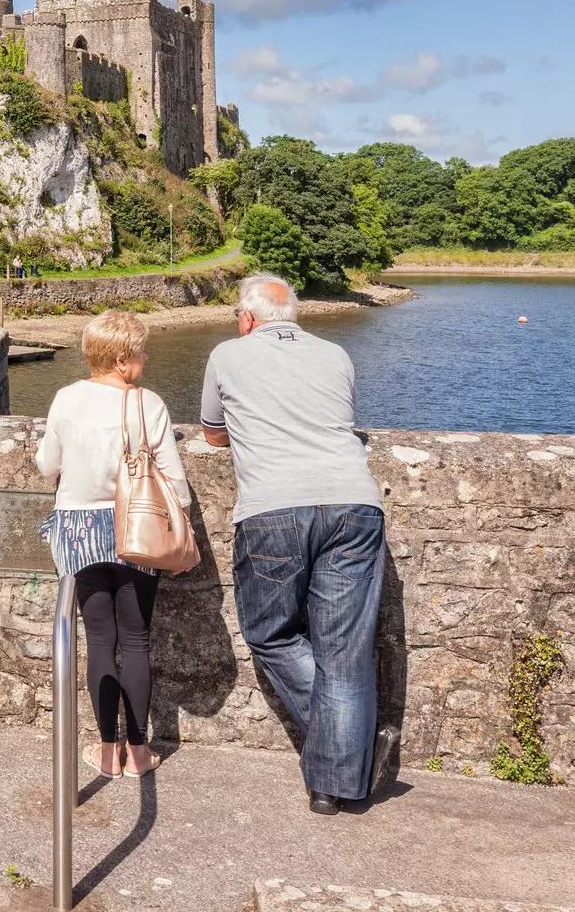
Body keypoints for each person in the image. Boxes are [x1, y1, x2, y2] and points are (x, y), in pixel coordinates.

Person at [200, 273, 400, 815]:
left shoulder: (227, 354)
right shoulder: (335, 354)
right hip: (354, 505)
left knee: (269, 633)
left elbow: (213, 434)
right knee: (345, 652)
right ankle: (334, 781)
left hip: (274, 508)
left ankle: (345, 751)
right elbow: (338, 420)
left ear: (246, 319)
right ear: (294, 317)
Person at [36, 310, 193, 777]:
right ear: (123, 360)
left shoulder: (66, 398)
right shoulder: (149, 404)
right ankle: (140, 753)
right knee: (137, 639)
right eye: (142, 351)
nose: (147, 358)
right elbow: (175, 482)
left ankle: (107, 753)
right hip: (135, 530)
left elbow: (48, 464)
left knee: (100, 640)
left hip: (79, 530)